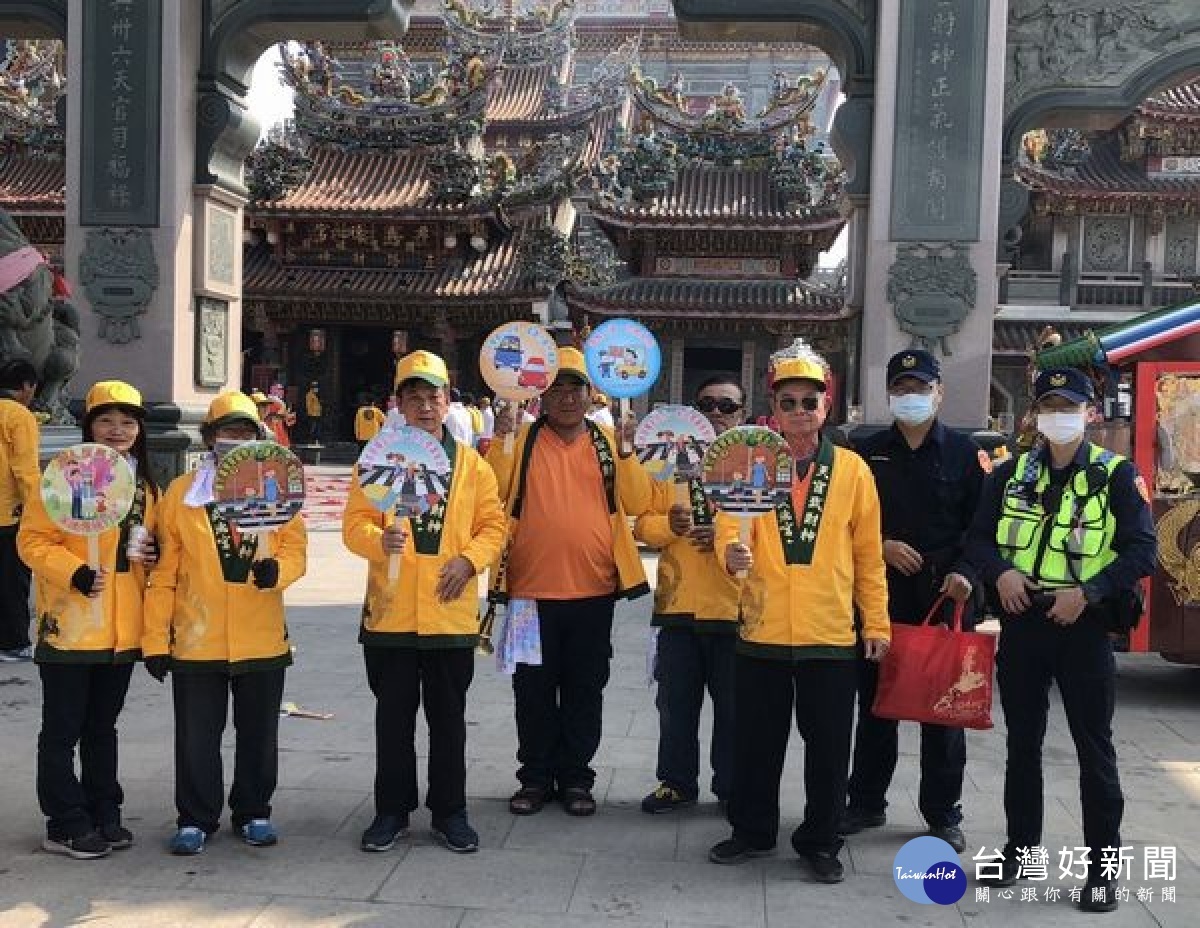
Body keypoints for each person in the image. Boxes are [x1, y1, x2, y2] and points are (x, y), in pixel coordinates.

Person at [965, 367, 1155, 913]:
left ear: (1090, 413)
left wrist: (1089, 592)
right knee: (1021, 743)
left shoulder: (1116, 476)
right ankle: (1020, 850)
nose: (1059, 415)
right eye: (1049, 405)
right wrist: (999, 572)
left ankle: (1103, 869)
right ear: (1035, 414)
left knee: (1093, 746)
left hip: (1084, 627)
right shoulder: (1008, 474)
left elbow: (1143, 550)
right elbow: (977, 537)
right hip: (1024, 621)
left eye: (1069, 405)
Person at [709, 344, 889, 884]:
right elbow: (726, 525)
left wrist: (875, 622)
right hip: (761, 628)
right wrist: (729, 554)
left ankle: (820, 839)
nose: (799, 410)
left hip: (830, 633)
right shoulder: (749, 462)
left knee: (829, 749)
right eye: (788, 401)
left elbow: (868, 554)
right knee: (755, 742)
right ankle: (753, 830)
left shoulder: (854, 471)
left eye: (809, 400)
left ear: (826, 405)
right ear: (774, 407)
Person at [343, 350, 507, 854]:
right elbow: (355, 524)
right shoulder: (375, 460)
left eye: (433, 396)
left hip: (449, 614)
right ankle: (391, 811)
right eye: (414, 396)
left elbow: (494, 525)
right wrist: (378, 541)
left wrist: (469, 561)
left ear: (447, 400)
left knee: (448, 721)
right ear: (400, 404)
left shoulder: (473, 466)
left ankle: (449, 812)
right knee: (392, 721)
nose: (425, 405)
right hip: (391, 613)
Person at [488, 347, 653, 817]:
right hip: (527, 594)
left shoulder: (607, 440)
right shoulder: (520, 440)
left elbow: (639, 500)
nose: (565, 398)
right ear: (539, 394)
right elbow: (495, 490)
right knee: (532, 694)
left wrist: (629, 449)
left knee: (585, 689)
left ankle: (577, 779)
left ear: (589, 392)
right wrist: (500, 439)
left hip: (595, 592)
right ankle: (535, 779)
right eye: (554, 388)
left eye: (573, 388)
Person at [143, 392, 308, 856]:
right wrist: (155, 639)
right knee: (197, 737)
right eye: (225, 433)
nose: (235, 441)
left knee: (258, 734)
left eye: (244, 432)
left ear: (259, 438)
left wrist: (279, 569)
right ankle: (196, 817)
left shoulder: (277, 486)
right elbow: (163, 574)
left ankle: (254, 810)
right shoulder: (181, 495)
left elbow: (295, 549)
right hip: (197, 638)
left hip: (261, 635)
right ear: (209, 438)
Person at [843, 350, 985, 853]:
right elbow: (846, 520)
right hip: (880, 598)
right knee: (877, 705)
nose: (911, 397)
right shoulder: (865, 452)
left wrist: (964, 573)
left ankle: (943, 812)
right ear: (889, 394)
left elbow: (981, 529)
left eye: (921, 389)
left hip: (943, 599)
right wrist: (879, 544)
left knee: (941, 713)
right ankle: (865, 802)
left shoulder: (964, 455)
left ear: (939, 393)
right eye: (902, 389)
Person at [17, 381, 159, 859]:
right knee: (62, 728)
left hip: (121, 630)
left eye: (127, 422)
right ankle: (64, 820)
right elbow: (32, 541)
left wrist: (150, 554)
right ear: (89, 426)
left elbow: (141, 546)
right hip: (72, 624)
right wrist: (73, 572)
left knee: (103, 727)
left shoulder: (145, 485)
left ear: (139, 430)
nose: (117, 430)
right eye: (106, 420)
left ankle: (104, 810)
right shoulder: (59, 478)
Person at [635, 375, 745, 814]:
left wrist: (723, 534)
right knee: (675, 704)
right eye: (707, 405)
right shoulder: (667, 463)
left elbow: (774, 530)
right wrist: (670, 526)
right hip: (677, 604)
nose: (717, 414)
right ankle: (676, 782)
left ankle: (732, 785)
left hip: (736, 605)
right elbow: (642, 522)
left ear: (742, 413)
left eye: (726, 406)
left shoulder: (756, 463)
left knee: (735, 709)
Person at [0, 358, 40, 661]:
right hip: (8, 511)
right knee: (13, 580)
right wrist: (38, 509)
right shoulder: (17, 415)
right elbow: (25, 470)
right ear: (26, 386)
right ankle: (14, 642)